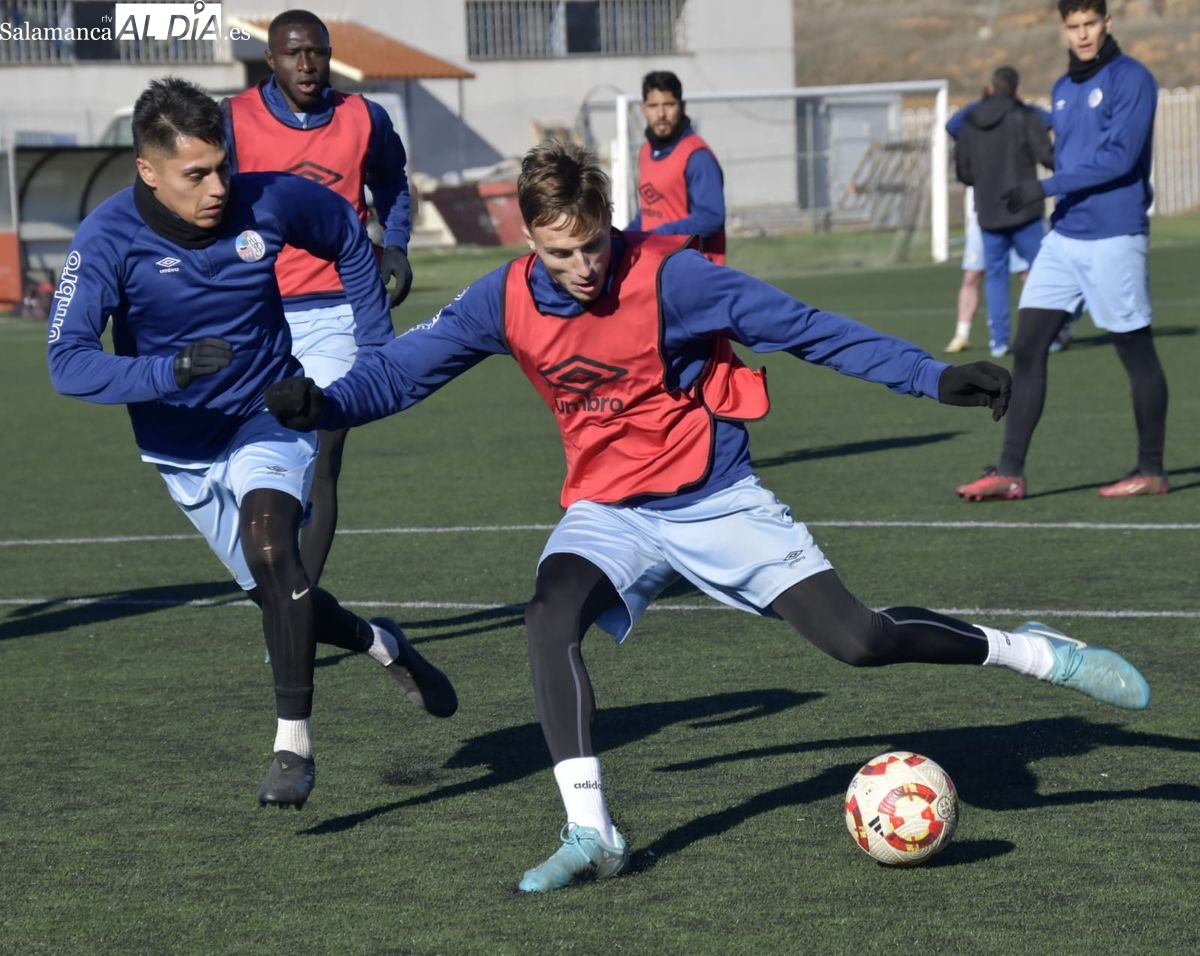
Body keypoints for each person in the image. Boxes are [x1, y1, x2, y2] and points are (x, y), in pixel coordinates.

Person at [264, 139, 1150, 891]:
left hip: (714, 499)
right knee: (548, 616)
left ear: (609, 221)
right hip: (609, 509)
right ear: (529, 238)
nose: (579, 270)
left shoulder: (675, 279)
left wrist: (931, 376)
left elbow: (807, 328)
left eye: (591, 249)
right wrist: (324, 403)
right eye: (557, 253)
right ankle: (593, 834)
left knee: (860, 642)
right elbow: (403, 370)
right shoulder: (503, 297)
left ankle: (1032, 650)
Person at [46, 77, 456, 811]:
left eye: (223, 167)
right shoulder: (105, 239)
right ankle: (381, 644)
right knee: (278, 592)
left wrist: (374, 350)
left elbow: (341, 232)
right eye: (195, 174)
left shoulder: (268, 200)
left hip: (269, 414)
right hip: (181, 448)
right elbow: (68, 361)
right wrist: (165, 370)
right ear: (147, 170)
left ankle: (291, 748)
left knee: (273, 546)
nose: (217, 187)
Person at [223, 8, 414, 585]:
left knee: (320, 456)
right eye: (294, 53)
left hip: (341, 310)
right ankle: (279, 592)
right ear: (271, 60)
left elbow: (394, 181)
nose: (307, 64)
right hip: (258, 317)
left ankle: (299, 605)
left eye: (318, 52)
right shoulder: (231, 120)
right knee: (255, 464)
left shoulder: (363, 117)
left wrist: (396, 246)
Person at [956, 0, 1169, 501]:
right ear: (1064, 30)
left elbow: (1120, 158)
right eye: (1073, 27)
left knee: (1134, 351)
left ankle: (1152, 470)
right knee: (1029, 344)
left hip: (1114, 235)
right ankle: (1009, 471)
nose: (1083, 35)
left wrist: (1044, 188)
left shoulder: (1132, 78)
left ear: (1107, 22)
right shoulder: (1063, 87)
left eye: (1090, 24)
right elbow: (1066, 155)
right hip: (1065, 236)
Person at [954, 65, 1054, 359]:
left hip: (989, 212)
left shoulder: (970, 123)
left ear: (991, 87)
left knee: (995, 277)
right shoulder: (1024, 116)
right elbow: (1046, 155)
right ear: (1016, 88)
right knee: (1046, 270)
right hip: (1025, 210)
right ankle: (1052, 332)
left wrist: (984, 183)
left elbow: (963, 170)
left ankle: (999, 341)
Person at [626, 70, 726, 264]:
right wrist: (623, 237)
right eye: (654, 105)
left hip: (692, 268)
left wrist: (659, 236)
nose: (661, 114)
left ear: (682, 107)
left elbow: (711, 216)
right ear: (643, 109)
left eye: (669, 105)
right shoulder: (646, 151)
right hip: (657, 264)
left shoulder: (697, 156)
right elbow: (651, 210)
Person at [944, 185, 1030, 355]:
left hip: (1017, 214)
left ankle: (1053, 330)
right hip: (983, 214)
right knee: (972, 275)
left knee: (1028, 274)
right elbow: (966, 172)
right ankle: (962, 334)